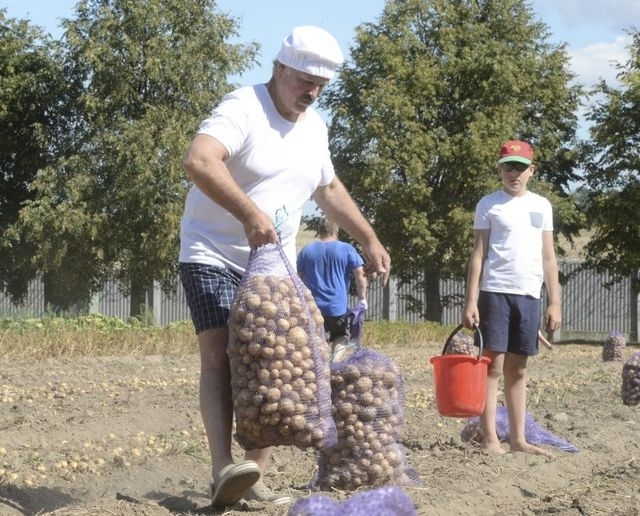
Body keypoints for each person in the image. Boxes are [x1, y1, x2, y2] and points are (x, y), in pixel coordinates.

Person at [178, 25, 391, 509]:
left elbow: (329, 189)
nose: (311, 93)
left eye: (321, 85)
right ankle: (221, 468)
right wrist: (249, 214)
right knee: (219, 353)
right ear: (279, 69)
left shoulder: (315, 127)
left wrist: (369, 236)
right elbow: (199, 160)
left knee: (273, 363)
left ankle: (252, 474)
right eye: (303, 81)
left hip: (273, 267)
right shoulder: (243, 107)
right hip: (212, 251)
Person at [461, 139, 561, 456]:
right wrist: (470, 300)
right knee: (492, 366)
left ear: (531, 170)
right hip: (494, 292)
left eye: (520, 166)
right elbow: (478, 254)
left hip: (529, 294)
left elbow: (548, 257)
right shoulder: (488, 204)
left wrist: (554, 300)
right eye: (508, 166)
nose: (513, 172)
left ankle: (518, 440)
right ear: (500, 169)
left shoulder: (542, 206)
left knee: (518, 369)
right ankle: (490, 439)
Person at [297, 217, 367, 347]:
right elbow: (360, 273)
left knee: (317, 341)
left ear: (320, 230)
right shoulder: (346, 249)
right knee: (342, 336)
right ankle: (334, 363)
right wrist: (362, 298)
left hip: (313, 307)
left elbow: (298, 278)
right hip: (337, 308)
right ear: (336, 230)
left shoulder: (306, 250)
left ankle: (321, 363)